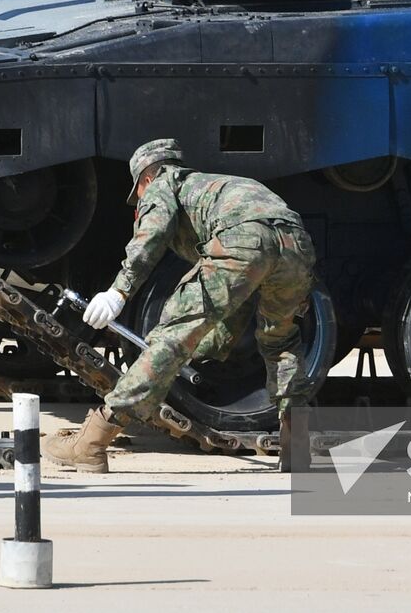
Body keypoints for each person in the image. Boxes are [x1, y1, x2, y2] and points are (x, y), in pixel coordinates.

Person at [45, 138, 316, 473]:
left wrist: (119, 293)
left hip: (242, 240)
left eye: (138, 194)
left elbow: (150, 238)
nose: (140, 202)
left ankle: (92, 442)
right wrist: (207, 348)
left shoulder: (163, 184)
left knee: (169, 340)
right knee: (282, 341)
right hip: (296, 245)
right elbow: (239, 305)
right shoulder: (222, 186)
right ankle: (296, 449)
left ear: (145, 178)